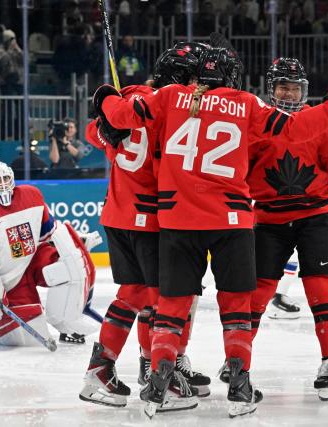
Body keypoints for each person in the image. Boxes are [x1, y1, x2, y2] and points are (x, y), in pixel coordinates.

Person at [93, 43, 328, 417]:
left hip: (176, 219)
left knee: (169, 305)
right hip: (233, 220)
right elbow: (296, 129)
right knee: (237, 306)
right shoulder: (248, 104)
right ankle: (239, 380)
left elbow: (120, 118)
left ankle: (159, 370)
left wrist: (106, 98)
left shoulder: (169, 97)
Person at [79, 43, 211, 410]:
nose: (200, 86)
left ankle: (101, 371)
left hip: (119, 215)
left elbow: (94, 133)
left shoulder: (131, 97)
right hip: (153, 218)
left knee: (134, 294)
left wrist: (108, 126)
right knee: (166, 301)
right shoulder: (175, 105)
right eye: (195, 78)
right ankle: (159, 377)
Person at [240, 57, 328, 401]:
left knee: (320, 288)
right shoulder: (257, 123)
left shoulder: (321, 123)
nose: (290, 93)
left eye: (295, 87)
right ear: (271, 90)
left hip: (316, 216)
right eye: (283, 86)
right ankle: (238, 361)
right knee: (257, 294)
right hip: (269, 218)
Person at [0, 159, 103, 347]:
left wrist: (78, 241)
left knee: (69, 265)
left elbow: (49, 233)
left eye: (6, 178)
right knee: (27, 341)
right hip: (10, 280)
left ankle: (67, 325)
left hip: (35, 260)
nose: (2, 184)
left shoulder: (31, 195)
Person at [0, 30, 23, 96]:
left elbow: (25, 61)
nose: (13, 41)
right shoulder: (0, 51)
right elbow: (2, 63)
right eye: (11, 39)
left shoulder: (16, 51)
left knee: (21, 100)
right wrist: (10, 50)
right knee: (8, 103)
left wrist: (18, 49)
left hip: (16, 79)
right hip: (4, 80)